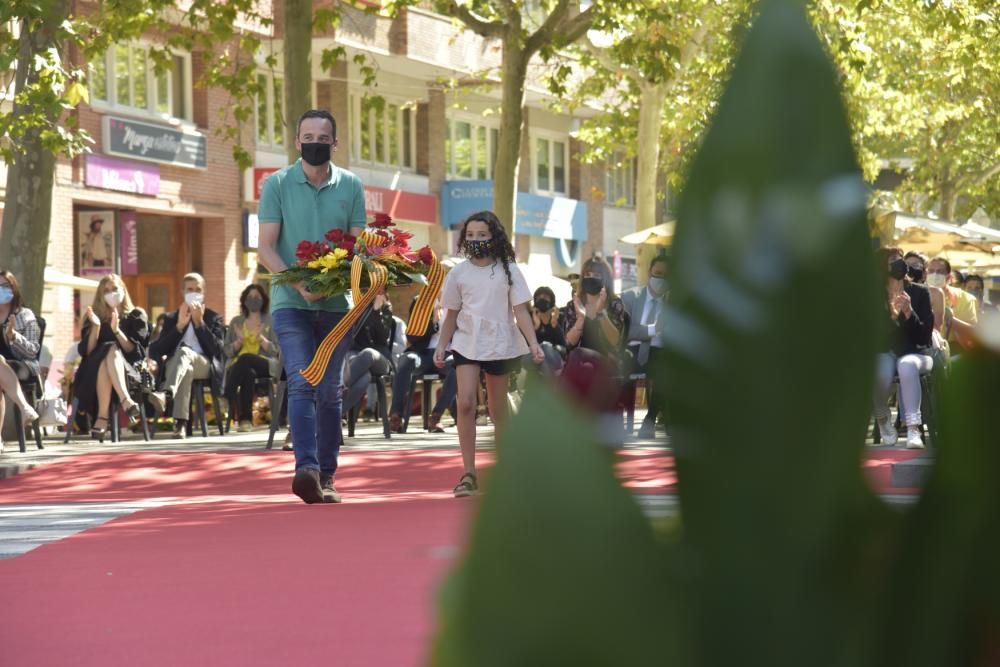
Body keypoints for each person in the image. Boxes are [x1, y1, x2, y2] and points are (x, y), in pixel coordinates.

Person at [257, 108, 367, 504]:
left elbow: (360, 249)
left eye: (323, 138)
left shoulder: (352, 186)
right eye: (308, 136)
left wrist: (332, 284)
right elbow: (266, 248)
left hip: (339, 307)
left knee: (330, 391)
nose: (315, 143)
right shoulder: (277, 184)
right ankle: (305, 469)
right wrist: (299, 282)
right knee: (303, 381)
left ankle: (327, 474)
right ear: (297, 141)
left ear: (335, 144)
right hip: (290, 302)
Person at [434, 211, 544, 497]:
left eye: (482, 234)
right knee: (466, 403)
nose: (475, 240)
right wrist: (441, 345)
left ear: (494, 236)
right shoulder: (458, 272)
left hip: (500, 343)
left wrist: (533, 343)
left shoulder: (509, 269)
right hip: (466, 342)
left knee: (498, 411)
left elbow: (521, 311)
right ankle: (468, 473)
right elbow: (451, 314)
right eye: (470, 235)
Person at [73, 274, 152, 439]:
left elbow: (135, 352)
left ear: (123, 290)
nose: (111, 293)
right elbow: (88, 352)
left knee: (111, 349)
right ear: (101, 295)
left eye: (115, 289)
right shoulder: (93, 317)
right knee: (108, 350)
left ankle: (102, 418)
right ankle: (126, 401)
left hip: (130, 371)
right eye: (106, 290)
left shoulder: (136, 315)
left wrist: (117, 331)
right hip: (91, 373)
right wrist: (96, 326)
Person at [148, 273, 225, 439]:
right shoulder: (170, 318)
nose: (194, 292)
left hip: (203, 364)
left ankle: (166, 395)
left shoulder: (213, 317)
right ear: (182, 292)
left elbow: (218, 350)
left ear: (204, 292)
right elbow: (158, 349)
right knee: (186, 368)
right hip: (176, 366)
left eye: (198, 289)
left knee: (184, 352)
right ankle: (181, 425)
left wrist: (200, 324)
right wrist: (179, 327)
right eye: (190, 289)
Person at [873, 248, 934, 449]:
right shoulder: (875, 296)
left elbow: (923, 337)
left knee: (906, 365)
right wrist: (891, 315)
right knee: (879, 367)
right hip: (888, 352)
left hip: (917, 354)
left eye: (900, 259)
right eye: (893, 260)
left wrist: (909, 312)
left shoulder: (919, 292)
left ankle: (913, 429)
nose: (900, 263)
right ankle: (882, 419)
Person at [388, 299, 458, 434]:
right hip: (422, 354)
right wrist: (433, 324)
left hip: (447, 353)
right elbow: (411, 336)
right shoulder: (420, 301)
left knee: (457, 365)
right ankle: (396, 416)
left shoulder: (457, 301)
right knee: (406, 359)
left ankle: (436, 416)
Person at [621, 254, 669, 438]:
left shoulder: (670, 304)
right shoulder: (630, 296)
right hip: (632, 353)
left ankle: (649, 422)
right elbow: (627, 331)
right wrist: (652, 329)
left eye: (665, 276)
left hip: (658, 355)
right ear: (649, 273)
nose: (660, 279)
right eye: (657, 274)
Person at [224, 284, 279, 432]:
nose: (253, 300)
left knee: (246, 358)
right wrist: (239, 341)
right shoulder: (236, 322)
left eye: (257, 297)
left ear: (263, 300)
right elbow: (228, 352)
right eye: (250, 297)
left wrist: (260, 338)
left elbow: (276, 351)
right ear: (244, 300)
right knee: (247, 372)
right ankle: (245, 420)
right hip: (239, 367)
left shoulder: (271, 321)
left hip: (266, 364)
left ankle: (227, 394)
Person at [0, 270, 41, 451]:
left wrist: (13, 336)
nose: (1, 290)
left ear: (13, 288)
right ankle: (24, 407)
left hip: (23, 365)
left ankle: (24, 406)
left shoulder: (25, 315)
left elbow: (32, 352)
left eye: (5, 286)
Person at [342, 291, 395, 419]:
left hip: (380, 359)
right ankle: (330, 417)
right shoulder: (353, 307)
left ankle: (336, 391)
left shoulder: (385, 307)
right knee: (363, 379)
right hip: (357, 358)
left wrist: (376, 311)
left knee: (368, 353)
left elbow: (382, 338)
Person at [928, 256, 978, 352]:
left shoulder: (966, 298)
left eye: (939, 272)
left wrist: (949, 318)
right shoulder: (919, 294)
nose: (934, 275)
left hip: (954, 348)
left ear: (949, 277)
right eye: (931, 271)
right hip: (926, 347)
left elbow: (972, 332)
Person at [529, 286, 566, 373]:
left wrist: (554, 325)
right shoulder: (530, 317)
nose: (542, 299)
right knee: (543, 350)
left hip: (555, 357)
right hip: (534, 357)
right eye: (539, 298)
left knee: (546, 348)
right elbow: (524, 345)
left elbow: (564, 345)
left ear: (551, 301)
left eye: (545, 297)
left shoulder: (559, 317)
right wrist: (536, 328)